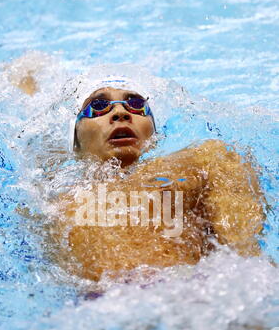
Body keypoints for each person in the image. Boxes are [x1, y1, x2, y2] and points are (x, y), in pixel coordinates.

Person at [15, 72, 266, 282]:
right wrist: (28, 87)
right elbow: (34, 143)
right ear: (76, 139)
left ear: (154, 134)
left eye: (136, 104)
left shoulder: (202, 162)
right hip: (99, 312)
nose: (121, 113)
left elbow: (246, 258)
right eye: (98, 106)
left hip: (191, 297)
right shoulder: (55, 200)